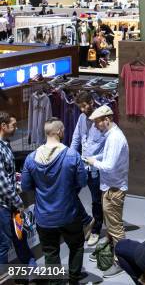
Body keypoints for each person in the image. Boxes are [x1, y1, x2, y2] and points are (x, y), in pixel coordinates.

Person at [21, 118, 87, 284]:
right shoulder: (72, 155)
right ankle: (73, 281)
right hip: (69, 213)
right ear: (59, 132)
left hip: (44, 216)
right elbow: (82, 182)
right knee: (77, 246)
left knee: (50, 253)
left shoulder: (31, 158)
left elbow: (26, 186)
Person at [84, 105, 129, 279]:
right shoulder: (111, 136)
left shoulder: (115, 138)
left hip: (114, 189)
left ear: (107, 120)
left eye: (97, 123)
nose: (95, 126)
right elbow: (108, 156)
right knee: (111, 226)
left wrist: (92, 162)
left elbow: (109, 166)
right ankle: (108, 252)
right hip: (110, 187)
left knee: (116, 229)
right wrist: (96, 158)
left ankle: (121, 261)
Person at [0, 112, 36, 273]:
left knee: (19, 236)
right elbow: (3, 184)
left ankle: (30, 266)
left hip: (10, 203)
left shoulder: (5, 144)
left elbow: (7, 173)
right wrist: (18, 203)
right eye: (13, 125)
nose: (16, 128)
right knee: (4, 244)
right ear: (3, 126)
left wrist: (16, 176)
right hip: (4, 206)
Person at [70, 91, 107, 246]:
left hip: (96, 168)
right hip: (81, 165)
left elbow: (108, 148)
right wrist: (70, 157)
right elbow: (76, 139)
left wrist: (95, 160)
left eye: (84, 106)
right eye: (80, 107)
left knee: (96, 200)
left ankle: (96, 230)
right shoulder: (81, 118)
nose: (83, 110)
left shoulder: (103, 120)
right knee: (69, 192)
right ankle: (86, 221)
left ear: (92, 102)